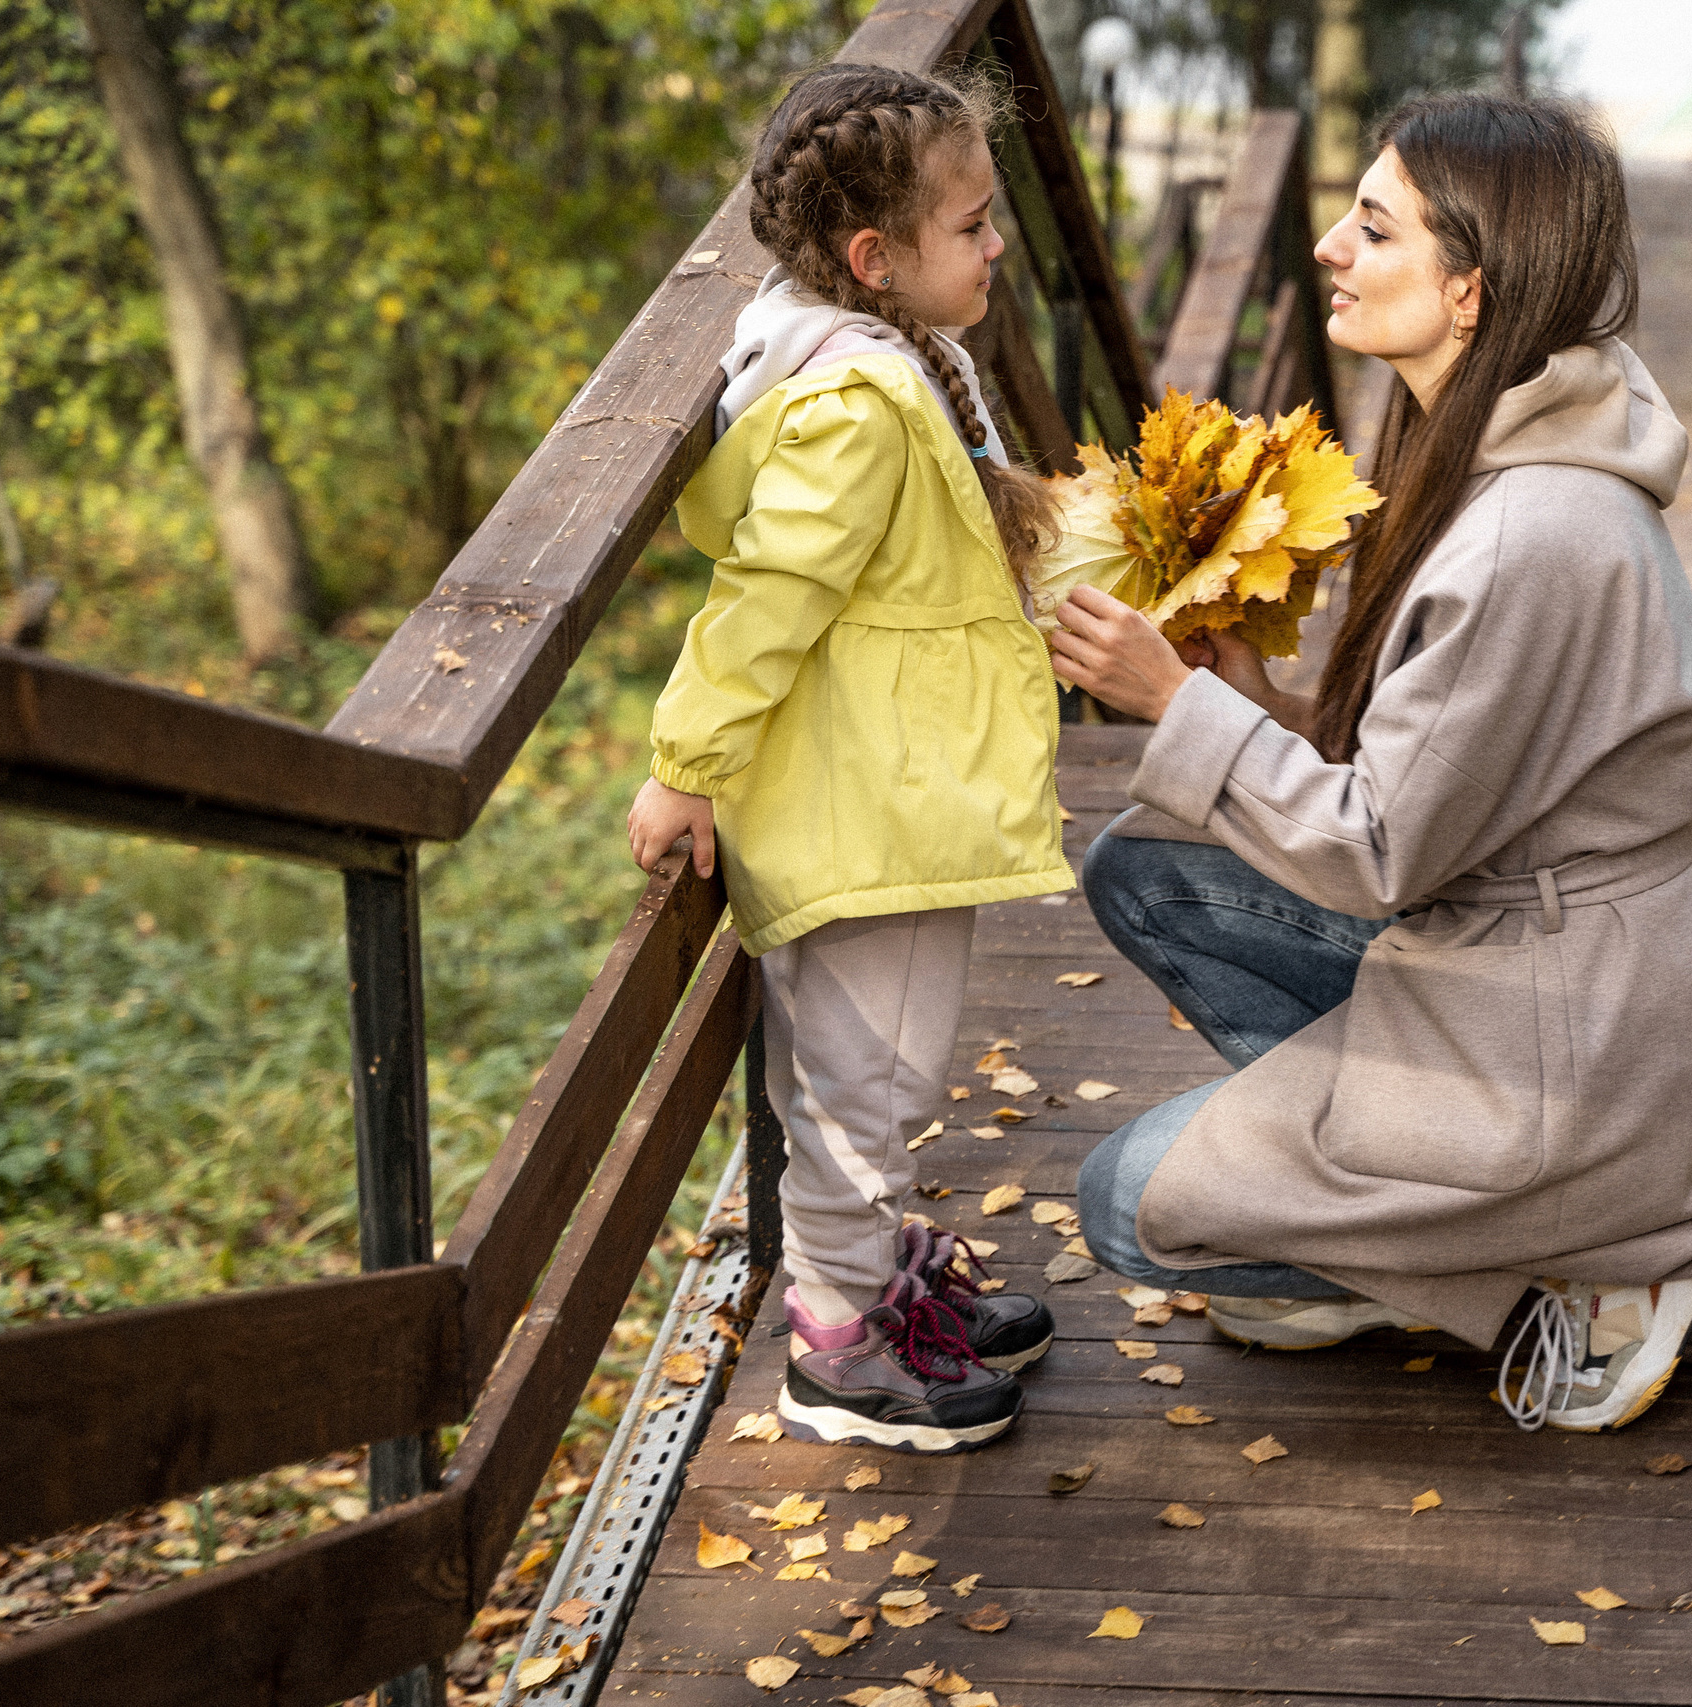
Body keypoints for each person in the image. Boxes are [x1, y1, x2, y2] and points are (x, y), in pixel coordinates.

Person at [1047, 94, 1692, 1432]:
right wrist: (1264, 708)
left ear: (1469, 291)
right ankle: (1425, 1217)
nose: (1332, 248)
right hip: (1542, 959)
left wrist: (1171, 699)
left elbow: (1380, 850)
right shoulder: (1494, 452)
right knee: (1152, 867)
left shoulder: (1531, 530)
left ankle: (1578, 1266)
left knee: (1122, 1203)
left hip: (1570, 1038)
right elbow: (1450, 772)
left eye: (1375, 226)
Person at [625, 63, 1068, 1454]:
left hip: (879, 782)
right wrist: (684, 765)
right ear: (875, 259)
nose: (999, 246)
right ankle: (836, 1345)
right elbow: (765, 598)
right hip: (868, 807)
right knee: (865, 1084)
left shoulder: (865, 357)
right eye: (973, 225)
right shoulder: (859, 405)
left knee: (866, 1071)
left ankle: (868, 1277)